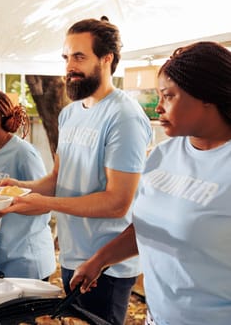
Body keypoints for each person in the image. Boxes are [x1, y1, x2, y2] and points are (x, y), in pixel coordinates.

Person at [0, 18, 152, 324]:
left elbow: (118, 201)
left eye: (79, 57)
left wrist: (47, 205)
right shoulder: (69, 114)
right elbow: (58, 180)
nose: (69, 67)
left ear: (106, 59)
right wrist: (19, 188)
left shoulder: (124, 117)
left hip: (107, 265)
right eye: (66, 57)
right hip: (70, 257)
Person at [70, 41, 231, 325]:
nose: (158, 107)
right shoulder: (161, 155)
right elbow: (149, 227)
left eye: (168, 96)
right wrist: (100, 261)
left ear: (207, 96)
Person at [0, 90, 56, 279]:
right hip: (6, 256)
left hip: (28, 258)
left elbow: (44, 203)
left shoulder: (23, 153)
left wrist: (8, 207)